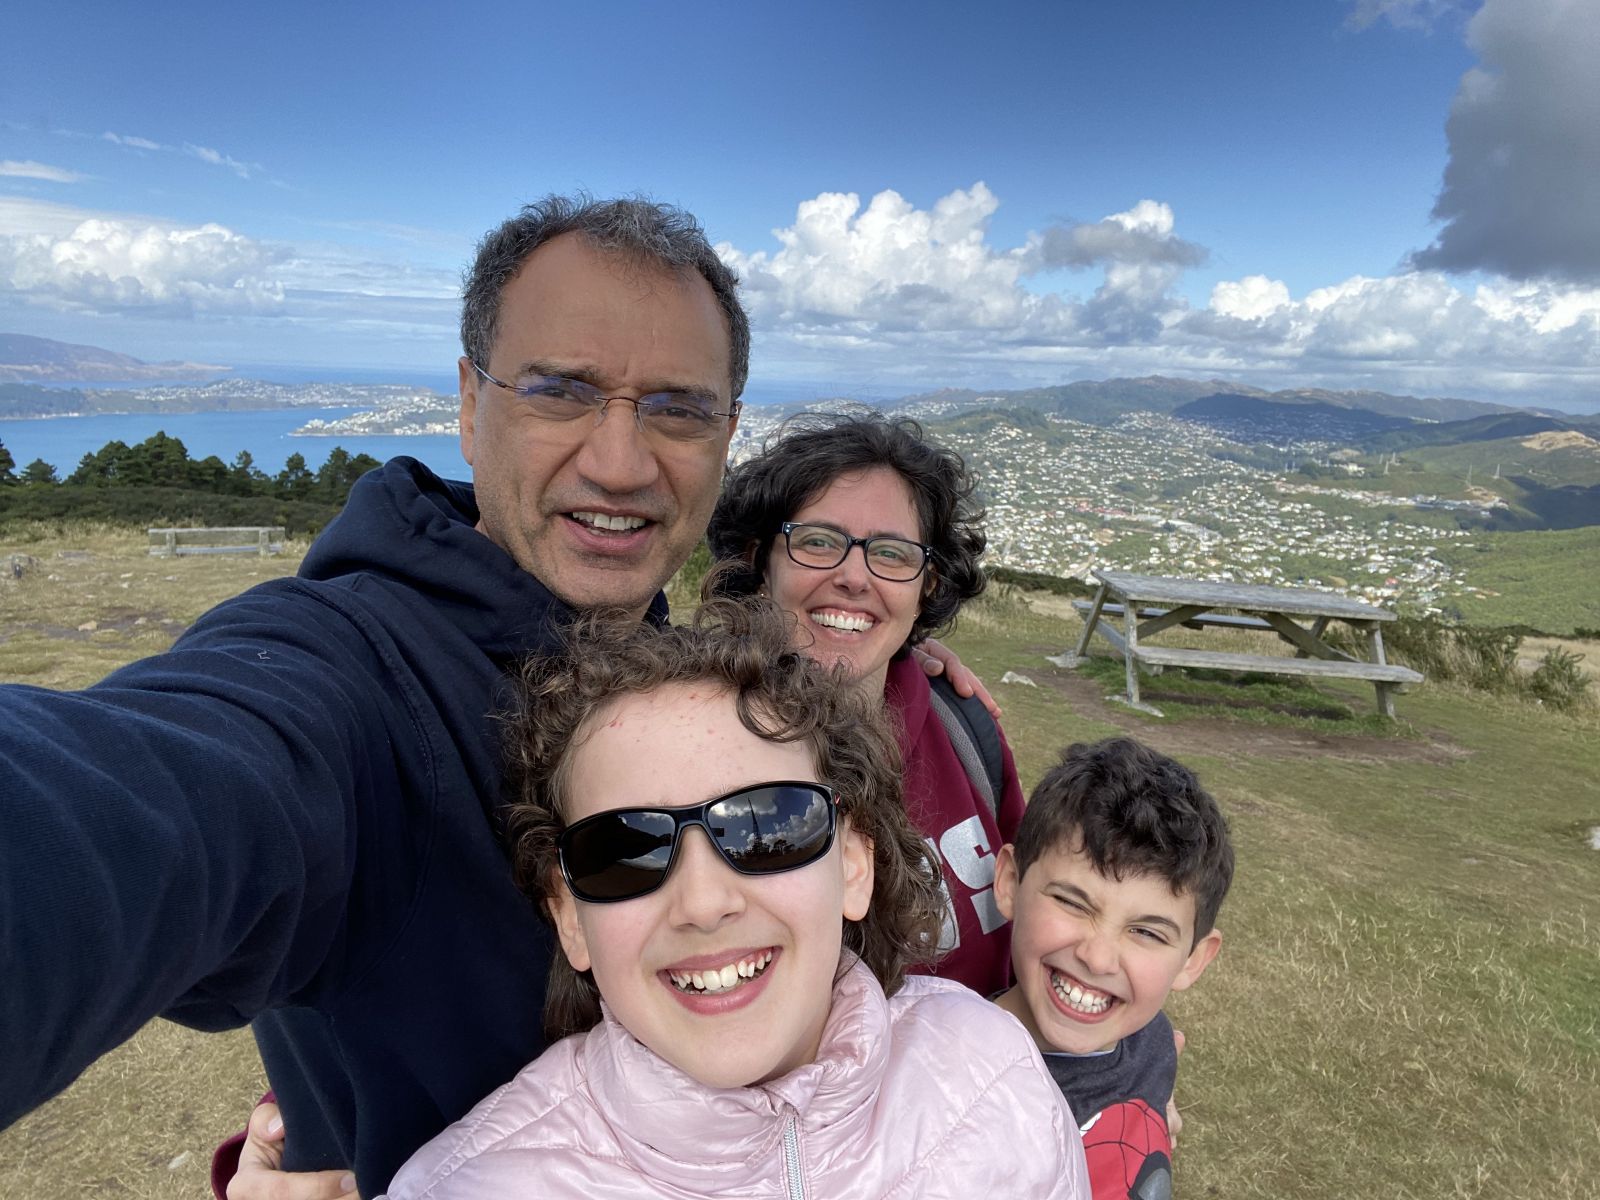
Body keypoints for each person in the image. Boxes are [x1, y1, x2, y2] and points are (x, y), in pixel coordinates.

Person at [0, 195, 749, 1196]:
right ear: (470, 406)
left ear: (727, 434)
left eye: (677, 408)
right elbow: (148, 798)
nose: (619, 463)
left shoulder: (680, 677)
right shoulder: (347, 673)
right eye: (560, 392)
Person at [379, 600, 1091, 1199]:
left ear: (854, 860)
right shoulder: (468, 1186)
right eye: (624, 851)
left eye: (764, 827)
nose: (703, 902)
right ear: (569, 916)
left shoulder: (995, 1073)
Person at [706, 411, 1025, 993]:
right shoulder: (695, 749)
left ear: (928, 584)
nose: (855, 577)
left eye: (893, 553)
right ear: (759, 561)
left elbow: (1043, 924)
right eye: (817, 542)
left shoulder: (964, 728)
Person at [992, 737, 1233, 1200]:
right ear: (1009, 883)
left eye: (1147, 932)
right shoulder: (946, 1075)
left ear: (1193, 960)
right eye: (1071, 902)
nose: (1098, 958)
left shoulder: (1153, 1041)